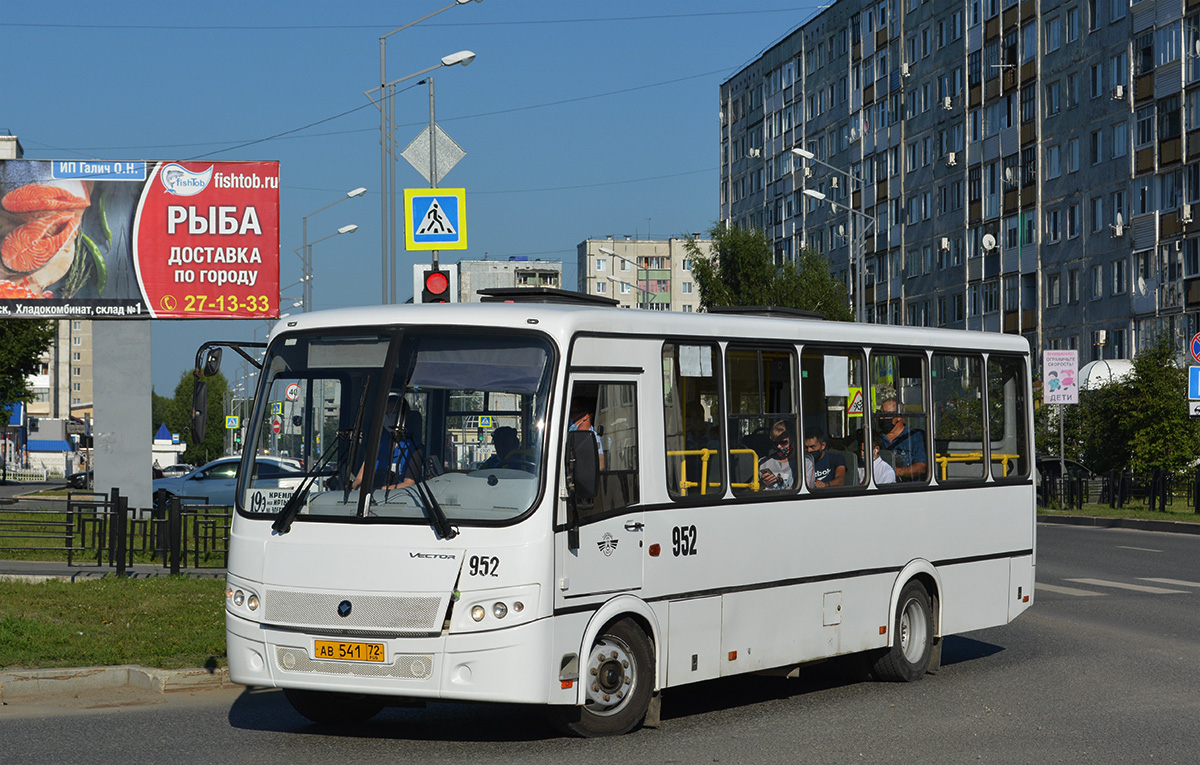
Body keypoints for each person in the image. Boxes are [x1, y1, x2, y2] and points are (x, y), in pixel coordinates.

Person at [877, 395, 927, 481]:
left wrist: (895, 471)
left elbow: (921, 467)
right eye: (880, 414)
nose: (882, 418)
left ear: (899, 417)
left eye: (886, 414)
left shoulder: (915, 437)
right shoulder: (876, 438)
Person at [759, 420, 813, 490]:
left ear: (794, 440)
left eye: (783, 442)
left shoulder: (805, 464)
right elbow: (753, 491)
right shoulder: (763, 462)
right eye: (775, 443)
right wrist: (762, 484)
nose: (778, 446)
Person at [569, 402, 605, 470]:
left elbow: (600, 466)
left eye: (572, 413)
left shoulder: (595, 438)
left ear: (585, 416)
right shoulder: (570, 435)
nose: (570, 417)